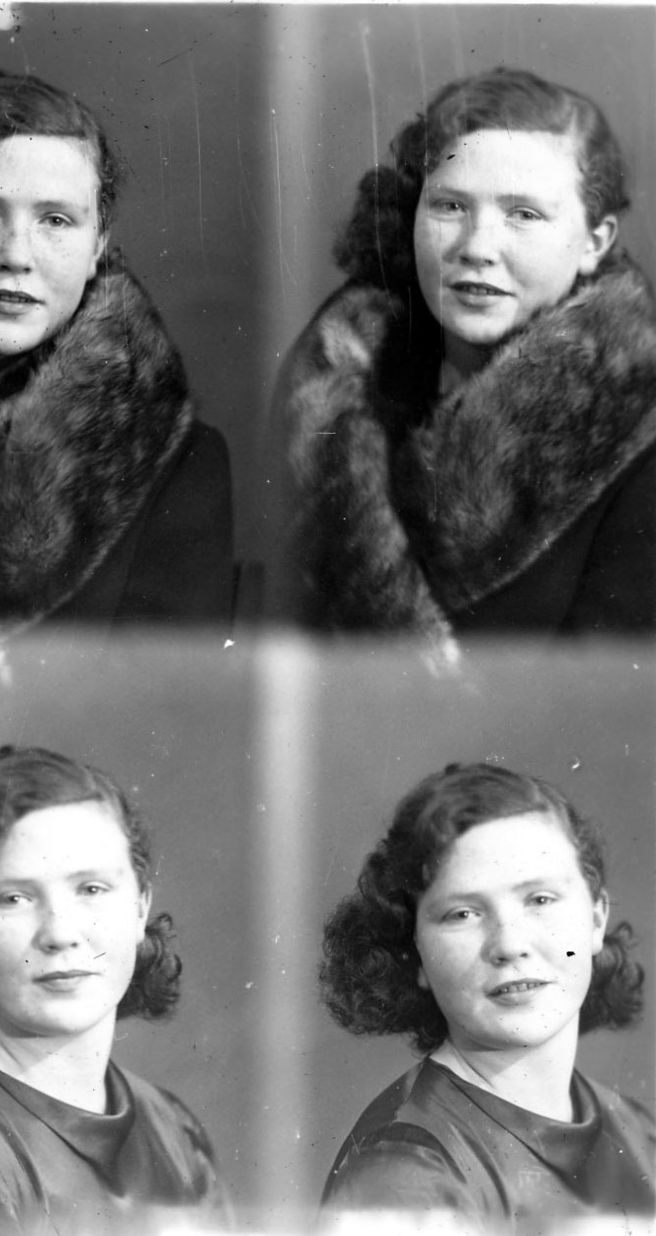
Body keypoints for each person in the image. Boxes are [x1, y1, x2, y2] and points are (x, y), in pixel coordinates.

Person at [274, 68, 656, 659]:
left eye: (524, 214)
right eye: (450, 206)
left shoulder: (642, 428)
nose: (477, 247)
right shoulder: (330, 387)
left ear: (595, 241)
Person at [0, 71, 233, 662]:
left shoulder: (178, 464)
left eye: (56, 220)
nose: (16, 255)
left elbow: (160, 707)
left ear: (97, 247)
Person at [0, 746, 230, 1236]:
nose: (60, 932)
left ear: (140, 908)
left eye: (91, 889)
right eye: (13, 898)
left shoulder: (174, 1131)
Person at [319, 763, 654, 1231]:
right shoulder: (401, 1174)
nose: (510, 944)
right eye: (463, 913)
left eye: (540, 899)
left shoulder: (641, 1137)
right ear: (414, 953)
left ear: (597, 918)